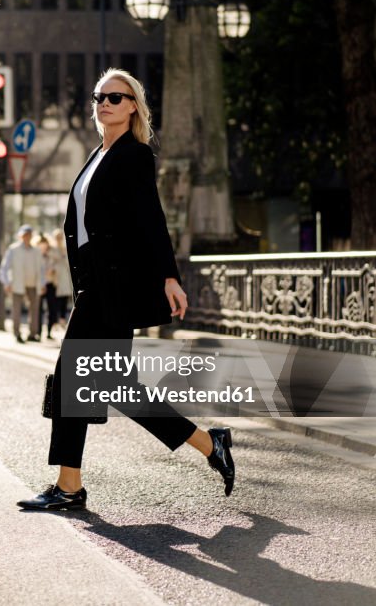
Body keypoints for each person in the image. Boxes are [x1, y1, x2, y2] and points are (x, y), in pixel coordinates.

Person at [18, 68, 236, 511]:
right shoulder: (98, 153)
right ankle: (208, 445)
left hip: (110, 290)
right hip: (92, 288)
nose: (104, 104)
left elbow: (150, 220)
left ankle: (70, 487)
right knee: (111, 385)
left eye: (115, 98)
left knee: (76, 380)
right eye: (99, 96)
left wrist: (169, 276)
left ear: (133, 106)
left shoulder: (135, 156)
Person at [0, 224, 46, 343]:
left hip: (33, 284)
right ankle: (17, 333)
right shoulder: (13, 249)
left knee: (34, 310)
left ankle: (33, 333)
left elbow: (41, 269)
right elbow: (4, 268)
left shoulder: (37, 251)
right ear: (20, 236)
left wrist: (43, 283)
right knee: (17, 310)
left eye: (29, 235)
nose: (27, 237)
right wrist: (6, 282)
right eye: (24, 235)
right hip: (17, 284)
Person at [37, 232, 61, 340]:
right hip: (39, 285)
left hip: (50, 284)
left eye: (45, 243)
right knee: (38, 309)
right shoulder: (35, 255)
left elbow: (59, 262)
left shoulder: (52, 254)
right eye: (41, 243)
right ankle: (38, 331)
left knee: (52, 309)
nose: (43, 245)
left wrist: (54, 269)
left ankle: (49, 332)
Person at [50, 228, 73, 328]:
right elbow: (50, 263)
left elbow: (68, 264)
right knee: (55, 301)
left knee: (64, 300)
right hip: (55, 278)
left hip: (64, 277)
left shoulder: (65, 248)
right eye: (57, 237)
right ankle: (55, 321)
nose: (59, 239)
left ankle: (62, 319)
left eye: (60, 237)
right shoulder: (51, 249)